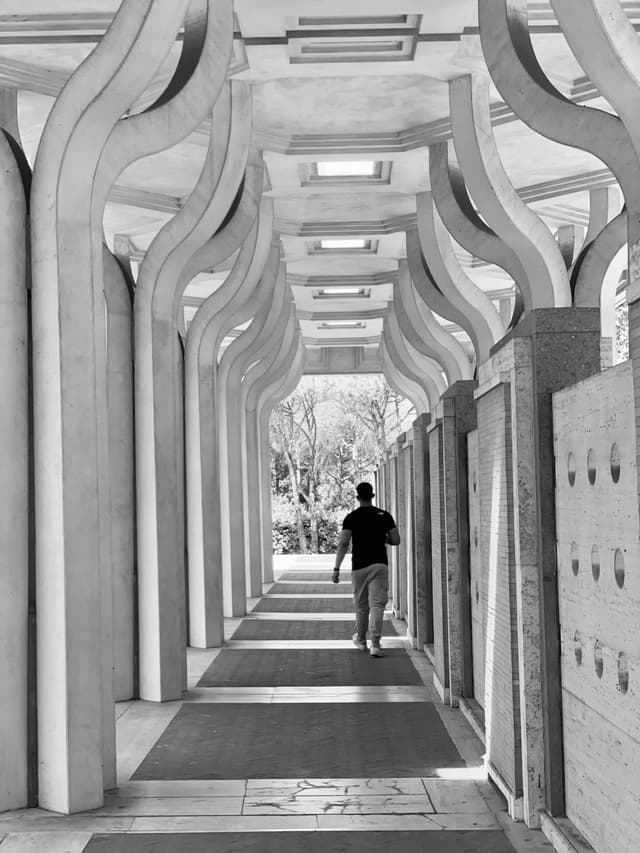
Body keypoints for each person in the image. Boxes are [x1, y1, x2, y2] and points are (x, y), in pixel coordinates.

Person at [331, 481, 400, 657]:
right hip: (379, 565)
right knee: (377, 605)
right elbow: (396, 540)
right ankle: (375, 644)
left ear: (358, 497)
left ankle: (361, 640)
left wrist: (336, 568)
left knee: (362, 607)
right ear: (372, 496)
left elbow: (343, 543)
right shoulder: (384, 516)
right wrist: (384, 538)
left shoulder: (351, 517)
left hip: (359, 567)